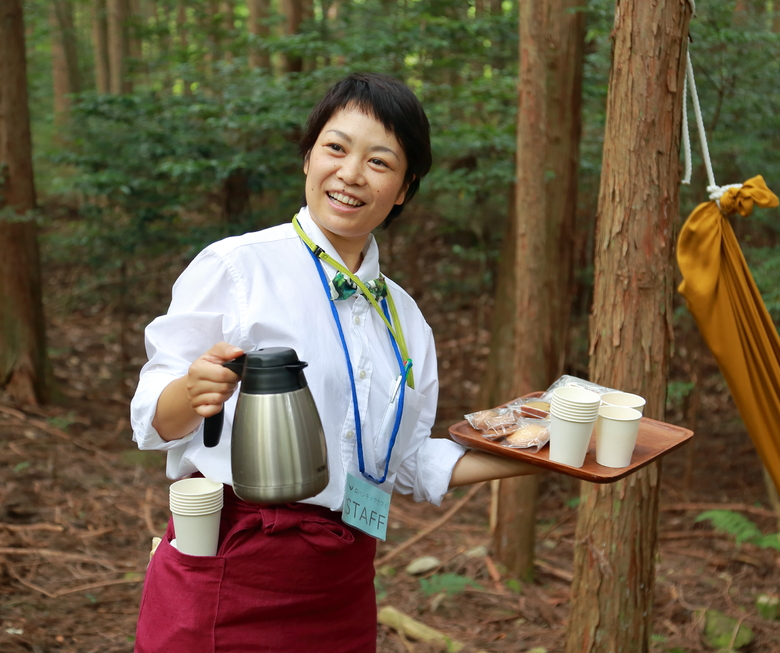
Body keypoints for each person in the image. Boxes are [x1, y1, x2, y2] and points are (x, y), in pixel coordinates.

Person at [130, 72, 537, 653]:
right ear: (308, 157)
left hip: (342, 582)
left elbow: (406, 462)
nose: (350, 174)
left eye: (379, 161)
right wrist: (189, 392)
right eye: (336, 148)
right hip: (230, 561)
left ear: (403, 188)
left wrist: (545, 458)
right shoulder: (239, 268)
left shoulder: (405, 319)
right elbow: (150, 416)